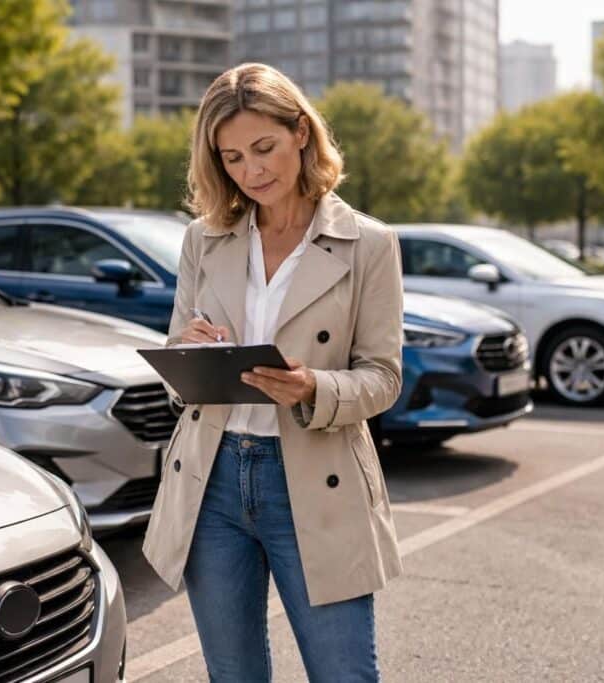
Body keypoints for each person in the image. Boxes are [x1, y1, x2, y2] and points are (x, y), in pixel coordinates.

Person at [142, 62, 404, 682]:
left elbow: (384, 376)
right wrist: (190, 352)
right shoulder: (203, 240)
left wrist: (315, 386)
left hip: (314, 476)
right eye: (232, 158)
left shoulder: (369, 243)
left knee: (344, 675)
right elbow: (177, 366)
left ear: (302, 134)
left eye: (264, 148)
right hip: (214, 479)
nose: (252, 171)